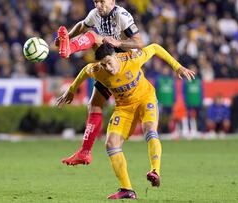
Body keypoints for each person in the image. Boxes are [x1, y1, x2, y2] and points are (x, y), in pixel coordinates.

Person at [56, 43, 195, 199]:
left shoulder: (132, 58)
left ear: (116, 55)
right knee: (111, 143)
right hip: (124, 108)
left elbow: (155, 47)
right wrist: (71, 90)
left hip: (145, 99)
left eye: (109, 62)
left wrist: (177, 67)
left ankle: (155, 171)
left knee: (150, 129)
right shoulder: (97, 70)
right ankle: (127, 190)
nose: (108, 67)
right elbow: (84, 71)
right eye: (104, 64)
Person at [56, 0, 144, 165]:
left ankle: (69, 49)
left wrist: (119, 42)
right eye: (96, 1)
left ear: (112, 1)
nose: (98, 5)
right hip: (109, 62)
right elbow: (82, 25)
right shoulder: (95, 14)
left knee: (94, 37)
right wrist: (67, 36)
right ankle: (84, 152)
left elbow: (139, 43)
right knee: (95, 105)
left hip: (124, 63)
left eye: (102, 1)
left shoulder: (122, 15)